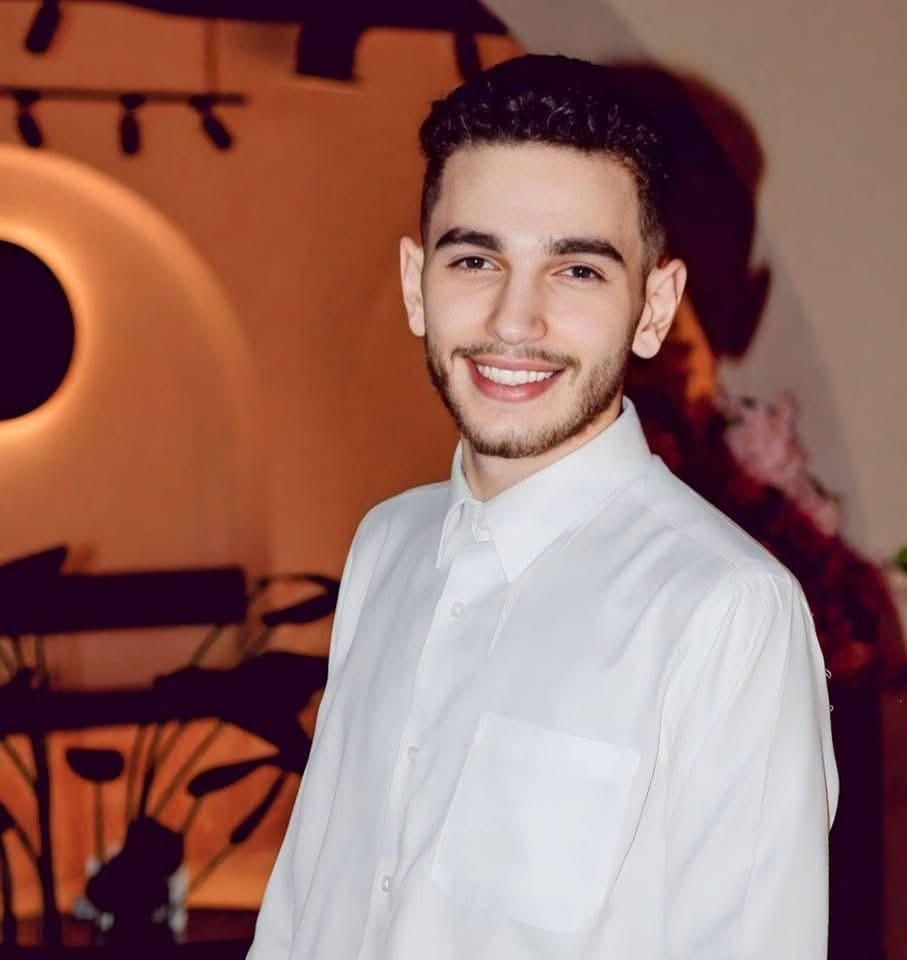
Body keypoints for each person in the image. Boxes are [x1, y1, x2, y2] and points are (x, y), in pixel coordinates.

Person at [247, 54, 838, 960]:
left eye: (577, 271)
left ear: (653, 307)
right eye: (475, 259)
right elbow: (302, 904)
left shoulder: (724, 608)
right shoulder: (387, 544)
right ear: (415, 283)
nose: (513, 321)